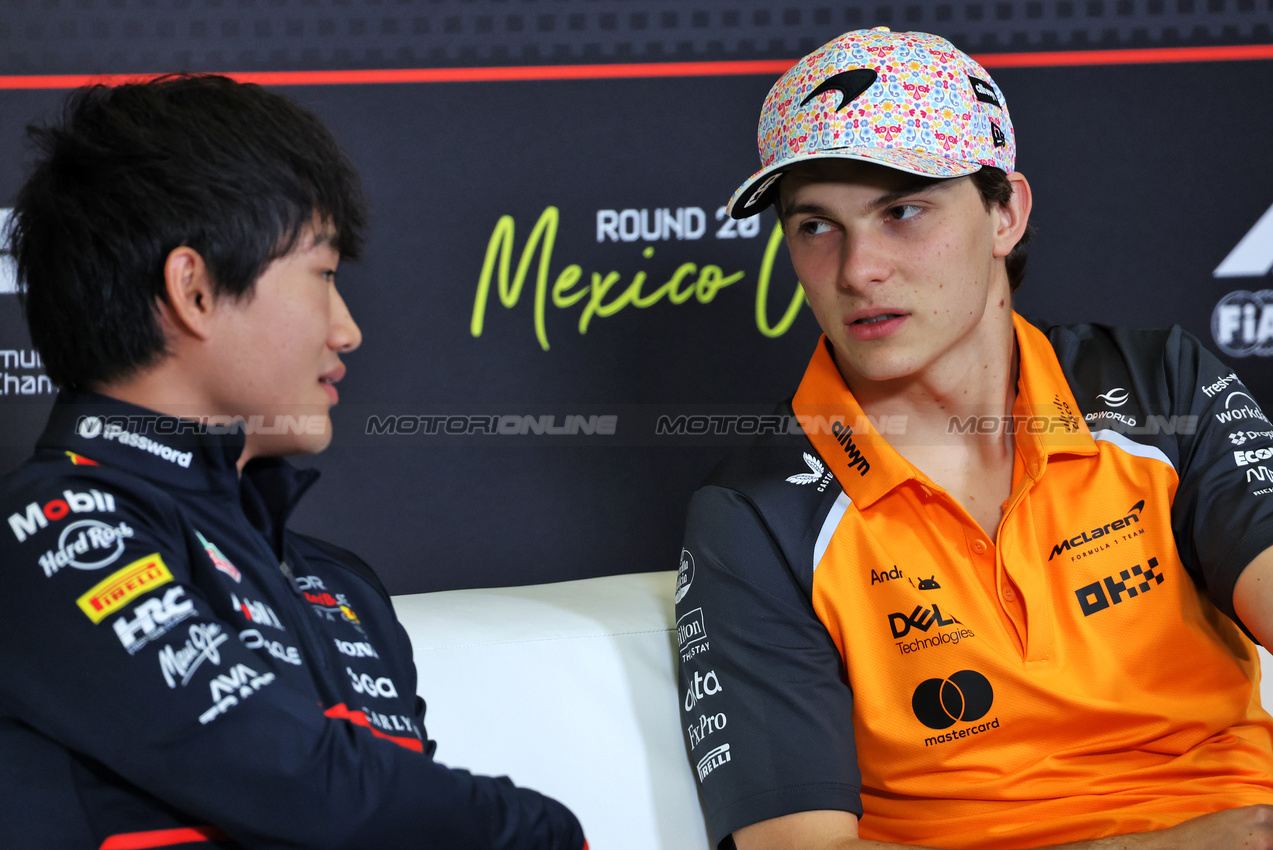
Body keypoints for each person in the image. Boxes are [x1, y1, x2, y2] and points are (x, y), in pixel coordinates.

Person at [675, 26, 1273, 850]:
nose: (857, 270)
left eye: (902, 211)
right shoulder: (755, 512)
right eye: (815, 226)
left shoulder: (1158, 385)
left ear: (1005, 214)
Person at [0, 74, 586, 849]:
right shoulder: (43, 528)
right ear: (195, 290)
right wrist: (549, 832)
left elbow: (394, 815)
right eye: (324, 275)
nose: (347, 331)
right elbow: (304, 784)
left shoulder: (340, 586)